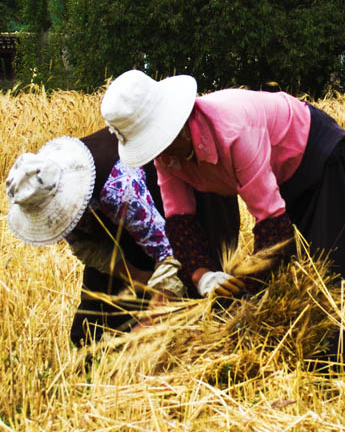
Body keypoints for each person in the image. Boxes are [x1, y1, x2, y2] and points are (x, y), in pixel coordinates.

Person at [100, 70, 345, 370]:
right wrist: (203, 276)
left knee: (338, 273)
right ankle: (306, 364)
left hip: (324, 160)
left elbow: (271, 224)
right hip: (286, 179)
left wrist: (247, 291)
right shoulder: (167, 157)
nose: (161, 154)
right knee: (300, 277)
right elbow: (180, 222)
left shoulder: (233, 131)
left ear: (175, 128)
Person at [5, 130, 240, 347]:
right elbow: (87, 247)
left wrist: (146, 326)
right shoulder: (48, 199)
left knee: (198, 308)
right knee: (88, 335)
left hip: (188, 202)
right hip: (123, 232)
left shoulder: (116, 188)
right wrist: (139, 279)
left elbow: (170, 254)